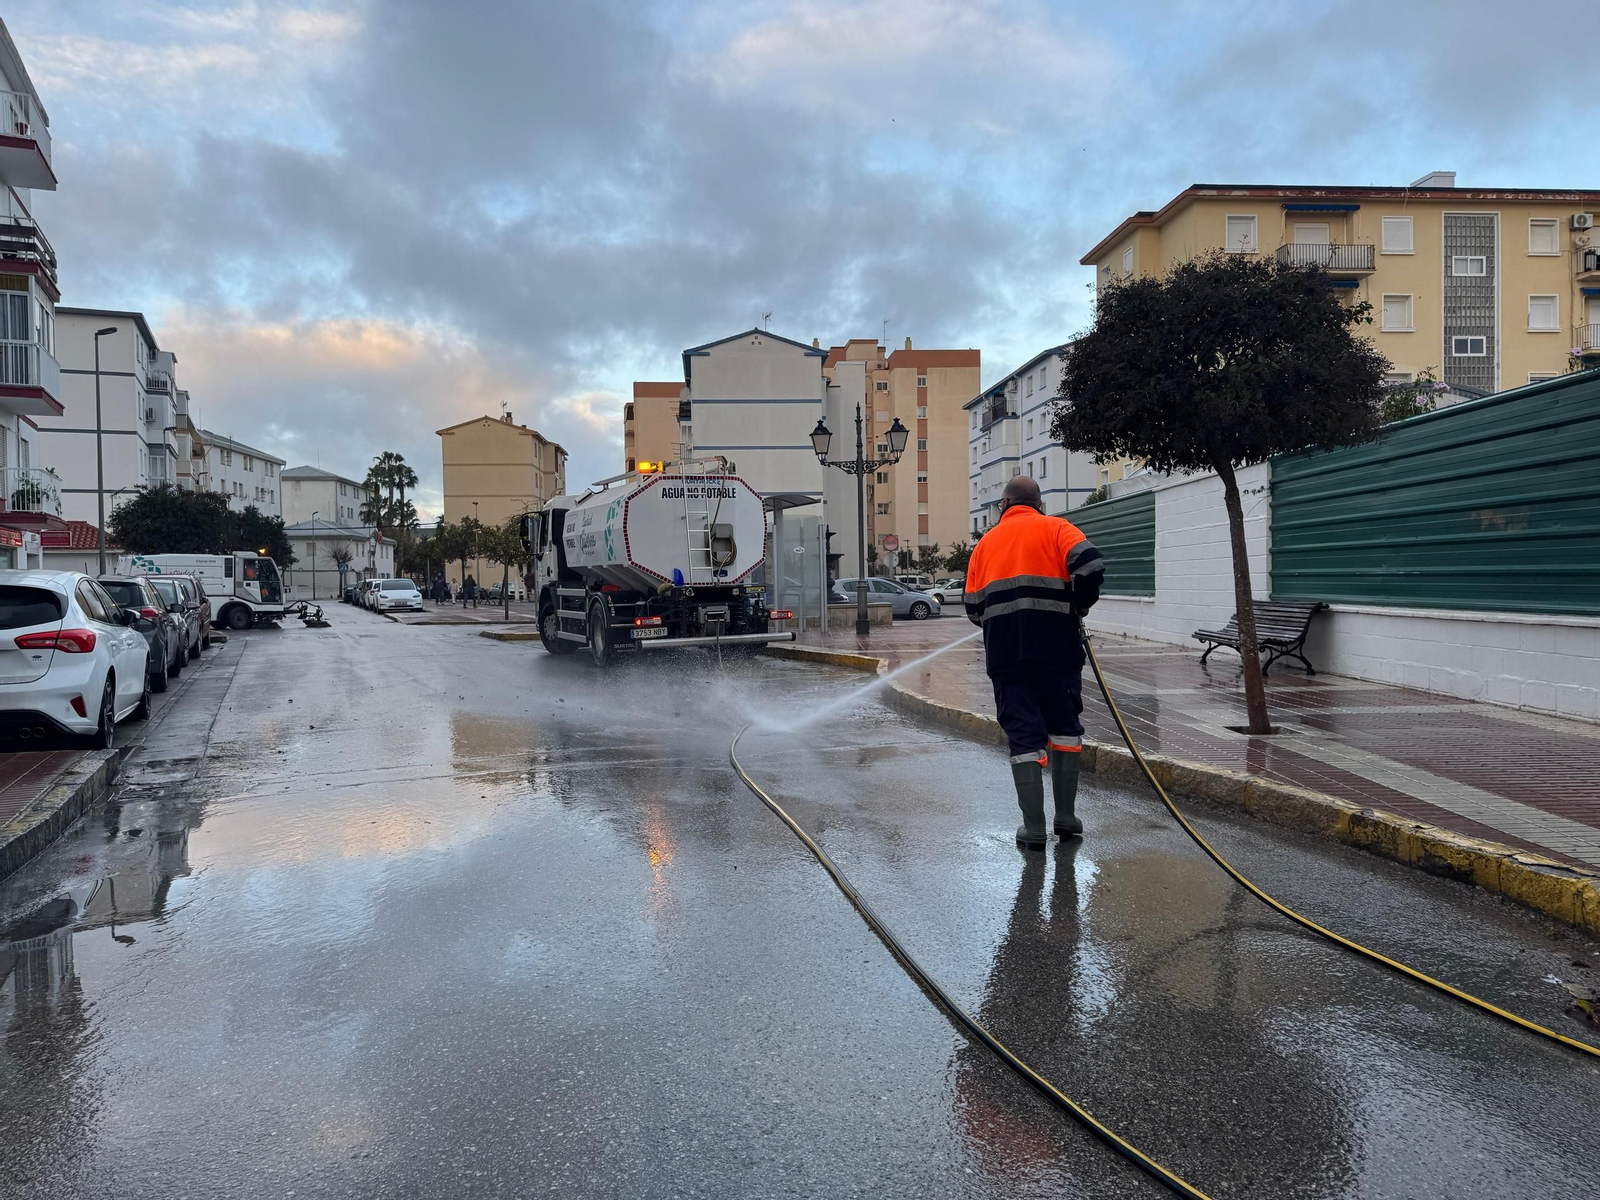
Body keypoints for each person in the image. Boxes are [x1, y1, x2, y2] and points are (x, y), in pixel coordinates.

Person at [963, 475, 1104, 850]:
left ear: (1005, 504)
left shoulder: (985, 545)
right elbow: (1090, 565)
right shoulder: (1059, 529)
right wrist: (1079, 603)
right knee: (1064, 728)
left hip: (1007, 656)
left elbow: (973, 608)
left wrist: (1000, 619)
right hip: (1058, 652)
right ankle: (1066, 819)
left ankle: (1034, 827)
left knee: (1024, 736)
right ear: (1038, 503)